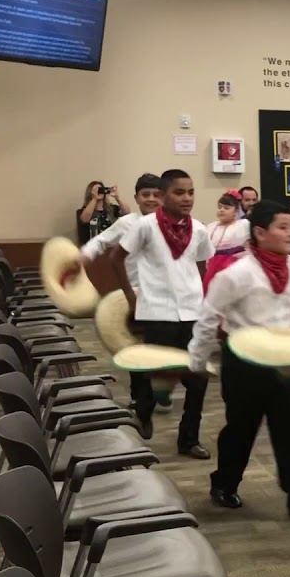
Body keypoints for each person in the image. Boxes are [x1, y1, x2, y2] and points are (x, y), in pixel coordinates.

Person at [188, 199, 290, 521]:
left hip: (284, 359)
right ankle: (225, 483)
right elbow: (208, 318)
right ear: (260, 232)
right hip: (244, 361)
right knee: (241, 427)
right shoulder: (236, 274)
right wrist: (197, 362)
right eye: (282, 227)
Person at [112, 168, 214, 457]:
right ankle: (143, 411)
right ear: (163, 195)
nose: (187, 198)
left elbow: (202, 265)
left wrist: (202, 299)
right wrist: (131, 298)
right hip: (157, 310)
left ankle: (189, 439)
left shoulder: (199, 229)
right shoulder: (145, 227)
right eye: (179, 192)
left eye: (191, 192)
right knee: (156, 373)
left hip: (191, 311)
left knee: (198, 378)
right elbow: (116, 259)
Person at [80, 173, 163, 409]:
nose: (151, 199)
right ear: (136, 198)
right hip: (134, 295)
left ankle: (159, 390)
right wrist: (84, 255)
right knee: (136, 345)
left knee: (161, 345)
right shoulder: (127, 223)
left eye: (156, 194)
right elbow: (101, 241)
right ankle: (140, 397)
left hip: (164, 296)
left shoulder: (173, 224)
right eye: (145, 195)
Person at [203, 189, 250, 289]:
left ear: (236, 211)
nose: (222, 210)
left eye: (226, 208)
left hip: (234, 267)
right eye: (220, 207)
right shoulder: (211, 227)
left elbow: (251, 248)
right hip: (212, 267)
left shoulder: (242, 225)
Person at [77, 180, 123, 244]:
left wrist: (117, 198)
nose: (99, 191)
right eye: (96, 190)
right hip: (94, 245)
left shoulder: (112, 208)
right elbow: (84, 219)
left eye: (101, 189)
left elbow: (127, 211)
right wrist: (94, 199)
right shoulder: (84, 210)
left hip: (111, 244)